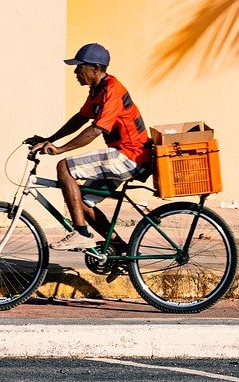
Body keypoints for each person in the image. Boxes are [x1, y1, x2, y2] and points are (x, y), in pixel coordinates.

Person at [29, 42, 152, 251]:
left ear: (95, 69)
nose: (76, 72)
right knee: (83, 203)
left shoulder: (113, 90)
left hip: (130, 156)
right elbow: (80, 118)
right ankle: (119, 250)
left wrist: (59, 150)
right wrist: (50, 139)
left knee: (64, 167)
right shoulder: (97, 90)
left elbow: (95, 130)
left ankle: (80, 233)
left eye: (80, 67)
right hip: (123, 156)